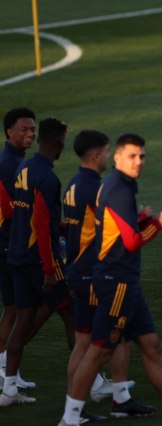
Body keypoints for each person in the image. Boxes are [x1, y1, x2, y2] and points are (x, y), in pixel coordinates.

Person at [58, 134, 162, 426]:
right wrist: (157, 223)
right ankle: (70, 419)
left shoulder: (116, 185)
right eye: (132, 156)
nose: (139, 162)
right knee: (98, 351)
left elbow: (118, 229)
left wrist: (144, 219)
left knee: (151, 345)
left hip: (125, 281)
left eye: (142, 156)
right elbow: (131, 242)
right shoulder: (118, 188)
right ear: (116, 157)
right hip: (116, 281)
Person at [63, 129, 151, 420]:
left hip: (78, 267)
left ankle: (119, 398)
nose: (108, 156)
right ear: (95, 155)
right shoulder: (96, 187)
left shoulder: (74, 184)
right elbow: (112, 230)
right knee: (89, 345)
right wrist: (145, 222)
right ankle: (75, 409)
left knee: (113, 337)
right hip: (92, 271)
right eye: (106, 151)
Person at [1, 117, 75, 406]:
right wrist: (49, 269)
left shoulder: (25, 167)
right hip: (39, 258)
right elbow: (42, 226)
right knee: (73, 316)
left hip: (18, 255)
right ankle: (91, 382)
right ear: (58, 144)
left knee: (22, 320)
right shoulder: (47, 178)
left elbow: (25, 215)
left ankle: (8, 389)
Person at [0, 108, 37, 391]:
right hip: (8, 244)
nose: (30, 134)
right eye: (24, 129)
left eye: (32, 130)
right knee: (15, 309)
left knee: (14, 309)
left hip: (9, 243)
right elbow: (10, 209)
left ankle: (6, 369)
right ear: (9, 131)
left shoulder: (14, 160)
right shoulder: (9, 164)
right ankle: (4, 367)